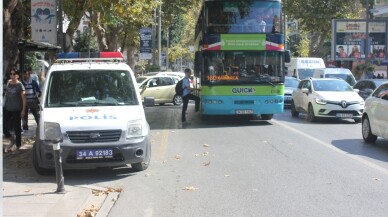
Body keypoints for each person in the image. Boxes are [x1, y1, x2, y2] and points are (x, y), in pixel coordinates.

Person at [3, 68, 26, 152]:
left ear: (17, 75)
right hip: (7, 108)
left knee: (17, 128)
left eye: (14, 74)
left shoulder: (20, 85)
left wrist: (23, 110)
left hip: (17, 109)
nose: (12, 76)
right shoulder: (8, 82)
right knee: (3, 126)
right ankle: (12, 140)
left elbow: (24, 99)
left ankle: (18, 145)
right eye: (11, 74)